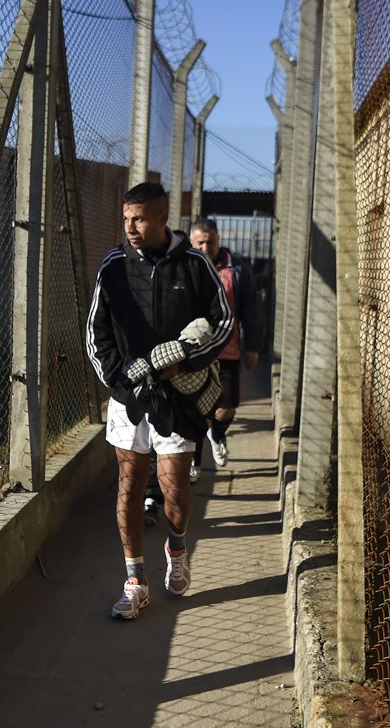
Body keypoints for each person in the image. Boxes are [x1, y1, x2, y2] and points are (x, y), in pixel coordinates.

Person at [86, 181, 233, 620]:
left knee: (175, 490)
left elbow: (222, 322)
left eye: (140, 219)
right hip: (130, 399)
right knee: (129, 487)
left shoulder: (193, 265)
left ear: (162, 218)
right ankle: (136, 582)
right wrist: (121, 384)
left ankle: (177, 544)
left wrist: (185, 363)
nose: (130, 227)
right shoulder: (112, 267)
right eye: (126, 218)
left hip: (179, 399)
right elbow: (97, 335)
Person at [189, 218, 266, 469]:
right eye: (199, 242)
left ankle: (218, 433)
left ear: (218, 240)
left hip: (227, 351)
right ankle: (193, 462)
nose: (205, 247)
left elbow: (251, 310)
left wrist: (252, 346)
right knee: (194, 412)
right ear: (191, 241)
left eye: (210, 242)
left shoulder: (237, 270)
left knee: (227, 406)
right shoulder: (184, 266)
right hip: (192, 353)